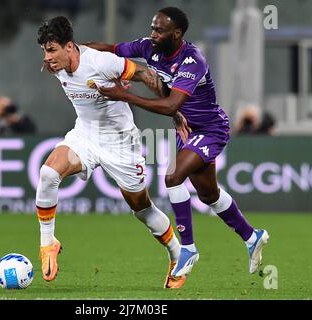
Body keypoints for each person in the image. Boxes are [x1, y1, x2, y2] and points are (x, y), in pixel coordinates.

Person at [86, 7, 269, 278]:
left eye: (159, 30)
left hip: (210, 129)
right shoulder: (150, 48)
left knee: (172, 177)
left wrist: (124, 96)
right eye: (152, 28)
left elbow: (171, 103)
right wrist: (75, 52)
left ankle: (188, 248)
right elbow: (112, 48)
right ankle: (252, 237)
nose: (153, 34)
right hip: (187, 130)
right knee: (209, 194)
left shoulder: (192, 61)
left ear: (177, 33)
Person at [36, 16, 187, 288]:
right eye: (45, 51)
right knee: (48, 174)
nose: (47, 58)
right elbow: (58, 58)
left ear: (69, 46)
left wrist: (173, 111)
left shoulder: (101, 63)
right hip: (85, 135)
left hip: (120, 144)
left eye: (51, 50)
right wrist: (51, 59)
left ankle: (178, 255)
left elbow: (145, 74)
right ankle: (48, 243)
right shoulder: (57, 63)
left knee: (142, 209)